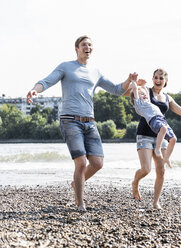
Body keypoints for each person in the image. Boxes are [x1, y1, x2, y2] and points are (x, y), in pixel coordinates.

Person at [26, 35, 134, 211]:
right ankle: (80, 202)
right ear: (77, 49)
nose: (88, 47)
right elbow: (47, 81)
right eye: (84, 45)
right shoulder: (66, 67)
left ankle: (76, 183)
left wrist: (130, 82)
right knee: (81, 163)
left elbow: (115, 89)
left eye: (90, 45)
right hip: (70, 120)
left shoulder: (96, 72)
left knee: (98, 163)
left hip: (90, 122)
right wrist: (34, 90)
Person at [123, 68, 181, 209]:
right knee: (146, 169)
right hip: (144, 134)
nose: (158, 81)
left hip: (161, 135)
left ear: (166, 81)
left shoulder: (167, 98)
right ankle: (135, 182)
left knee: (161, 170)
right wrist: (135, 83)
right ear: (152, 79)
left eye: (161, 78)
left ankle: (155, 202)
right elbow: (130, 95)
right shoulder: (146, 90)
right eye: (156, 78)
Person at [128, 79, 176, 168]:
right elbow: (135, 89)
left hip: (162, 120)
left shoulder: (147, 101)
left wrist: (144, 85)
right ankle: (157, 149)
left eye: (145, 94)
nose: (145, 95)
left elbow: (146, 91)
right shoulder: (139, 104)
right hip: (154, 120)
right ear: (136, 98)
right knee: (163, 129)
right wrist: (134, 82)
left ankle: (166, 158)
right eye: (141, 94)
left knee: (173, 139)